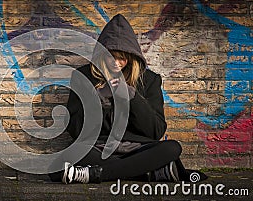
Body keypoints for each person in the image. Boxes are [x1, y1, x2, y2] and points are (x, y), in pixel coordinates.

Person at [48, 14, 207, 184]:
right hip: (98, 148)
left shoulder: (149, 80)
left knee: (172, 148)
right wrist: (99, 98)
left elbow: (156, 131)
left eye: (122, 58)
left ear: (131, 57)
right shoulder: (83, 76)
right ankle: (147, 173)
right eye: (111, 56)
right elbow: (75, 130)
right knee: (60, 161)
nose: (116, 63)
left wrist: (133, 97)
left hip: (139, 149)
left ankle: (93, 174)